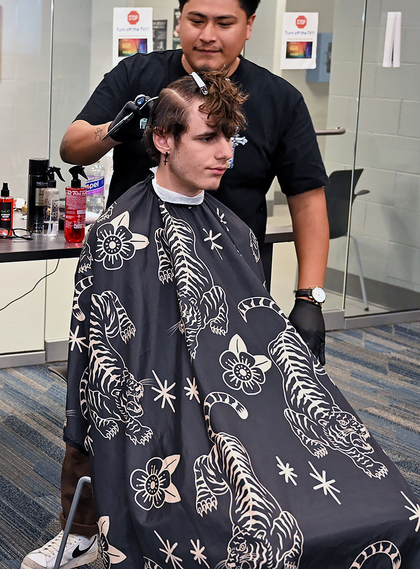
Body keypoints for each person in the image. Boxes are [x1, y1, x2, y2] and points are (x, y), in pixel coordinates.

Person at [24, 0, 330, 569]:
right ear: (179, 19)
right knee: (105, 395)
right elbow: (72, 145)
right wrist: (121, 126)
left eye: (224, 22)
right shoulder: (141, 74)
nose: (207, 35)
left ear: (249, 27)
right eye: (195, 20)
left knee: (222, 412)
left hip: (229, 282)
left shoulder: (278, 99)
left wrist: (310, 297)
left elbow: (308, 197)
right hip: (132, 280)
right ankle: (85, 527)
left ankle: (211, 529)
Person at [56, 71, 418, 569]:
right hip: (161, 428)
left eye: (230, 136)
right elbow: (105, 376)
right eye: (207, 137)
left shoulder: (238, 235)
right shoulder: (117, 239)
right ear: (162, 139)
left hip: (245, 414)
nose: (225, 152)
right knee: (253, 541)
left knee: (398, 511)